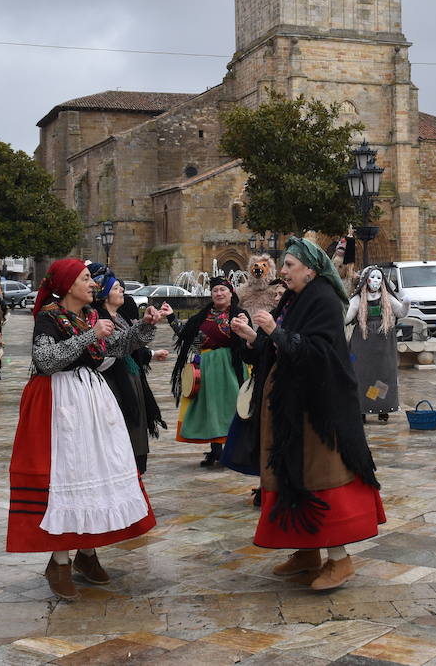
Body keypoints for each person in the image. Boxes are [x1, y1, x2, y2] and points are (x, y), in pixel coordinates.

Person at [229, 237, 385, 591]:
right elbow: (279, 344)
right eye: (283, 266)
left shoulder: (326, 301)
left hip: (318, 409)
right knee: (292, 473)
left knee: (320, 474)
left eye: (289, 266)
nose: (282, 272)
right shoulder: (295, 297)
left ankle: (339, 559)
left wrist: (274, 331)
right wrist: (254, 337)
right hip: (290, 404)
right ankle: (307, 551)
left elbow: (317, 352)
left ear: (311, 270)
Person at [8, 258, 157, 601]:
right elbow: (45, 360)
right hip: (60, 402)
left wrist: (145, 326)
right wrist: (90, 335)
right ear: (68, 284)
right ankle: (59, 562)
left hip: (90, 398)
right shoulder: (49, 317)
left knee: (93, 469)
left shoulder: (90, 316)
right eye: (86, 278)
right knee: (68, 475)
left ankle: (87, 553)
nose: (93, 284)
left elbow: (116, 348)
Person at [94, 272, 169, 474]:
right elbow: (120, 345)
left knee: (136, 425)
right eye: (116, 288)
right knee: (123, 426)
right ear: (104, 293)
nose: (122, 291)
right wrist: (145, 325)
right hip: (113, 381)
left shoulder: (120, 317)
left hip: (131, 376)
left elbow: (133, 344)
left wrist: (148, 327)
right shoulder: (98, 318)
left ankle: (135, 468)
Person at [171, 278, 247, 466]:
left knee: (231, 407)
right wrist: (171, 318)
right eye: (215, 291)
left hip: (230, 366)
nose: (219, 293)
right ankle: (216, 450)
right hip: (206, 367)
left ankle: (234, 451)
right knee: (211, 407)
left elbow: (247, 340)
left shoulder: (240, 314)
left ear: (231, 293)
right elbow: (188, 336)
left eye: (222, 290)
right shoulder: (202, 316)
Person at [347, 266, 406, 422]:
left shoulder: (387, 298)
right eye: (372, 277)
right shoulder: (358, 298)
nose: (376, 281)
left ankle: (382, 407)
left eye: (379, 278)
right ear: (366, 279)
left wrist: (406, 304)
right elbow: (347, 317)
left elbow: (400, 312)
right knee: (362, 373)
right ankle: (362, 408)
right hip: (363, 340)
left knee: (383, 374)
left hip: (384, 340)